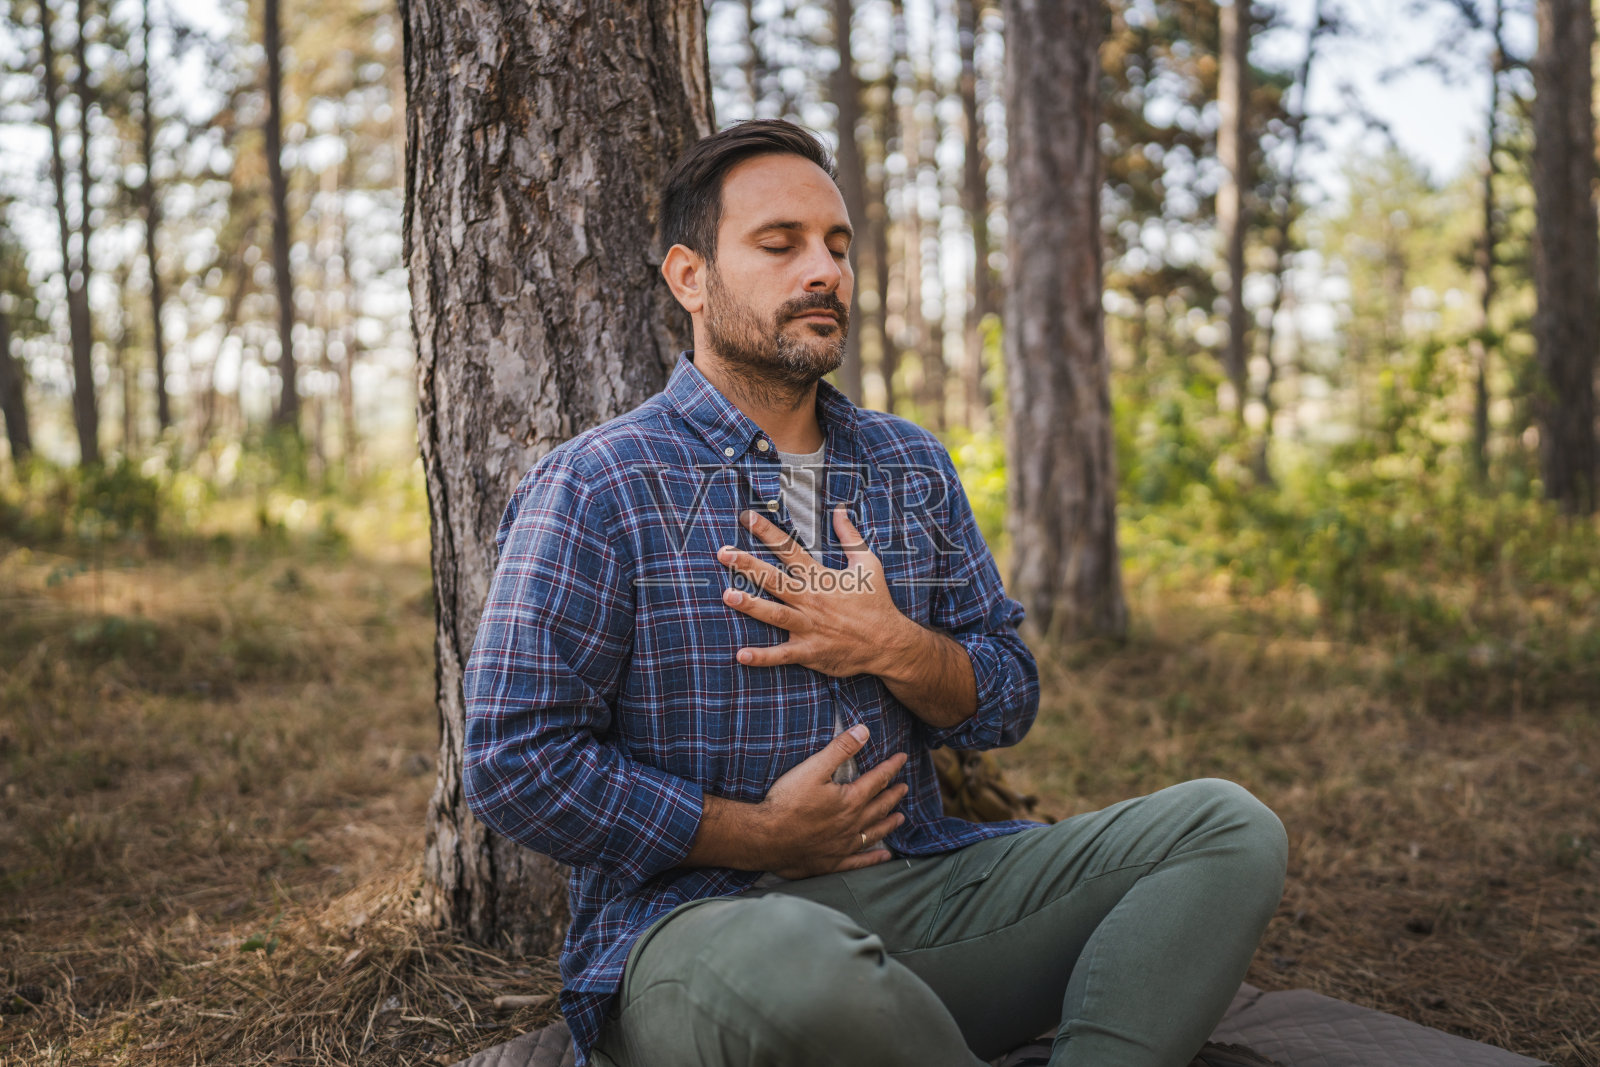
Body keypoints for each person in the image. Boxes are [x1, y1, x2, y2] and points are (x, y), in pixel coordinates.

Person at [462, 119, 1288, 1067]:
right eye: (781, 245)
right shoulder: (601, 482)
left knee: (1228, 829)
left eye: (838, 246)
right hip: (700, 925)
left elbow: (1008, 697)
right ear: (690, 277)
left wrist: (894, 645)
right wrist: (757, 833)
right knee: (806, 973)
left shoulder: (909, 465)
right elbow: (513, 759)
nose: (825, 271)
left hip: (921, 894)